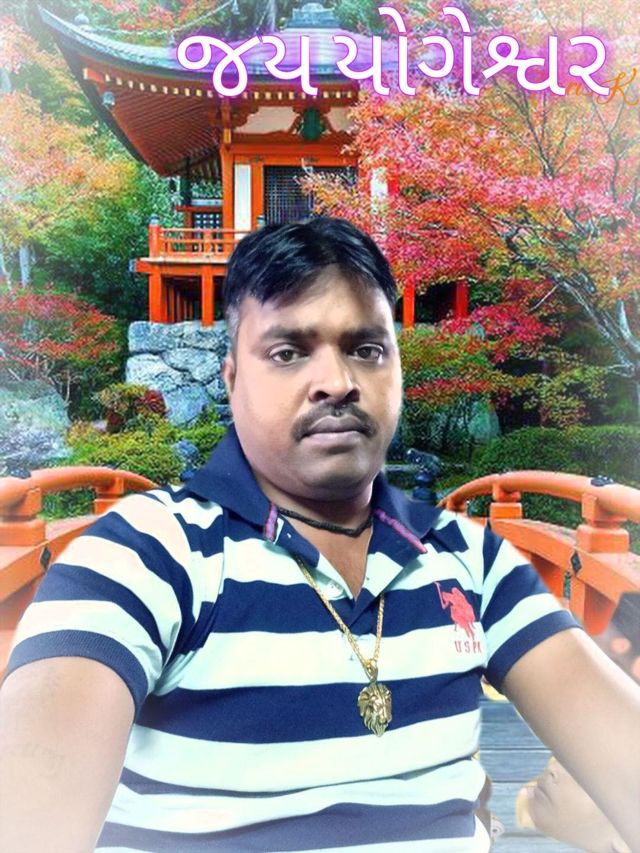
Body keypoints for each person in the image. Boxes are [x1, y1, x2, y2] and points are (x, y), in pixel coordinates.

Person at [0, 217, 638, 852]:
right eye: (287, 352)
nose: (338, 381)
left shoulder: (471, 560)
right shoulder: (145, 554)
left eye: (367, 349)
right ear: (231, 379)